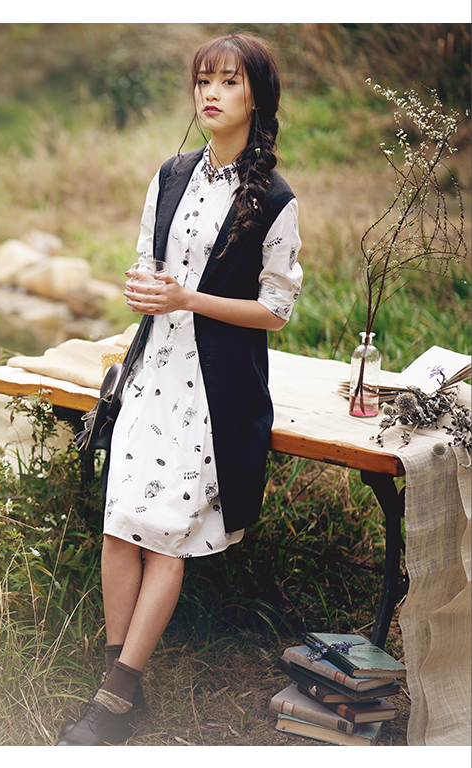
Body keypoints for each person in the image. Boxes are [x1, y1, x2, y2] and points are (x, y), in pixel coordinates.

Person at [55, 32, 303, 746]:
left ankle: (115, 701)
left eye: (228, 81)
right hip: (150, 373)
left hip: (212, 388)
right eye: (203, 81)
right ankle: (120, 691)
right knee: (119, 524)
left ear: (256, 96)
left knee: (165, 538)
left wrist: (189, 299)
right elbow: (145, 265)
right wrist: (143, 289)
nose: (211, 94)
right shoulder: (169, 174)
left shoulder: (275, 199)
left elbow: (276, 310)